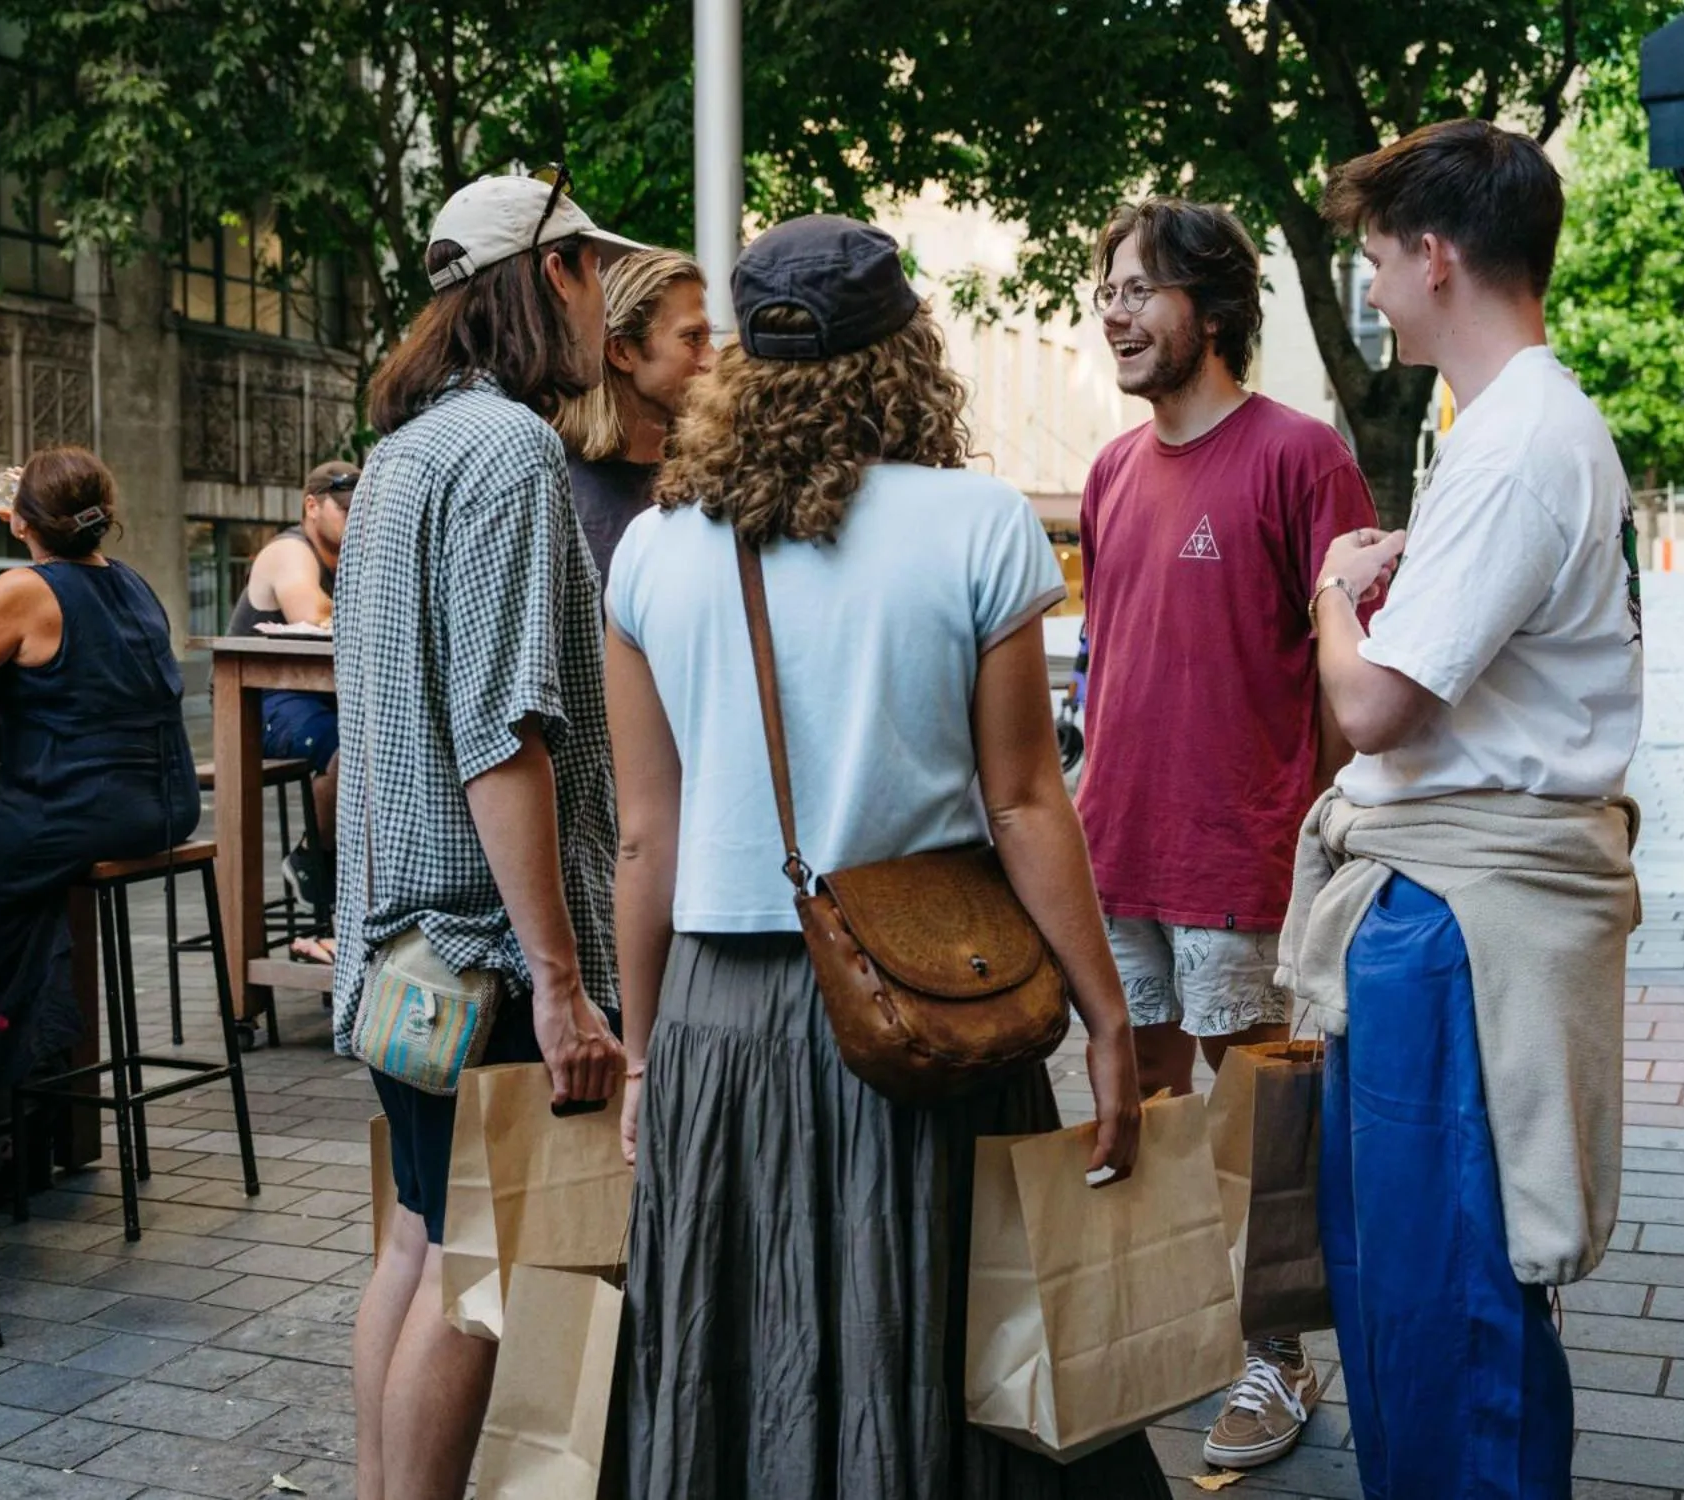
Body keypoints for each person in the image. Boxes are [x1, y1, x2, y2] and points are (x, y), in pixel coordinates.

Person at [606, 214, 1161, 1499]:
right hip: (927, 1006)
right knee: (935, 1335)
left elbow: (647, 833)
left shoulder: (652, 548)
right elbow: (1026, 803)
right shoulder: (977, 526)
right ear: (905, 350)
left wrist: (642, 1055)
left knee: (736, 1342)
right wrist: (1107, 1019)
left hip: (719, 1015)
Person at [1292, 120, 1643, 1499]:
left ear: (1435, 257)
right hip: (1459, 898)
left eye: (1379, 261)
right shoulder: (1512, 428)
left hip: (1454, 918)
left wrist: (1332, 590)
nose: (1374, 290)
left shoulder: (1510, 449)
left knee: (1442, 1293)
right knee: (1424, 1285)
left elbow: (1374, 708)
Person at [338, 172, 632, 1500]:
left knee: (417, 1245)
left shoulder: (401, 455)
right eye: (592, 274)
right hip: (489, 960)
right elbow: (502, 732)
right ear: (548, 276)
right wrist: (564, 988)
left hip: (410, 958)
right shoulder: (510, 452)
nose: (607, 316)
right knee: (482, 1268)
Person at [1073, 195, 1377, 1471]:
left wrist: (1342, 843)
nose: (1113, 313)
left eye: (1138, 289)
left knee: (1257, 1122)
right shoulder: (1105, 470)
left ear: (1208, 306)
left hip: (1241, 856)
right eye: (1105, 290)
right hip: (1114, 847)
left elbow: (1347, 674)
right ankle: (1156, 1333)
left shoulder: (1304, 457)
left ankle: (1274, 1358)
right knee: (1131, 1103)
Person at [0, 447, 197, 1094]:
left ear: (20, 521)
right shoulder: (131, 581)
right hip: (166, 803)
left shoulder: (24, 590)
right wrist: (34, 518)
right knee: (11, 868)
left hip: (84, 810)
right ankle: (29, 1072)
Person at [228, 460, 359, 920]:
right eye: (345, 510)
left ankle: (352, 900)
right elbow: (311, 610)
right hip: (259, 701)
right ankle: (314, 861)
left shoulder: (351, 557)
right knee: (350, 752)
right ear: (312, 506)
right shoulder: (290, 551)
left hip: (326, 696)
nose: (354, 518)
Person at [551, 248, 717, 586]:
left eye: (708, 338)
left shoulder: (713, 473)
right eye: (692, 339)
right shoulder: (555, 488)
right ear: (622, 352)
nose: (711, 360)